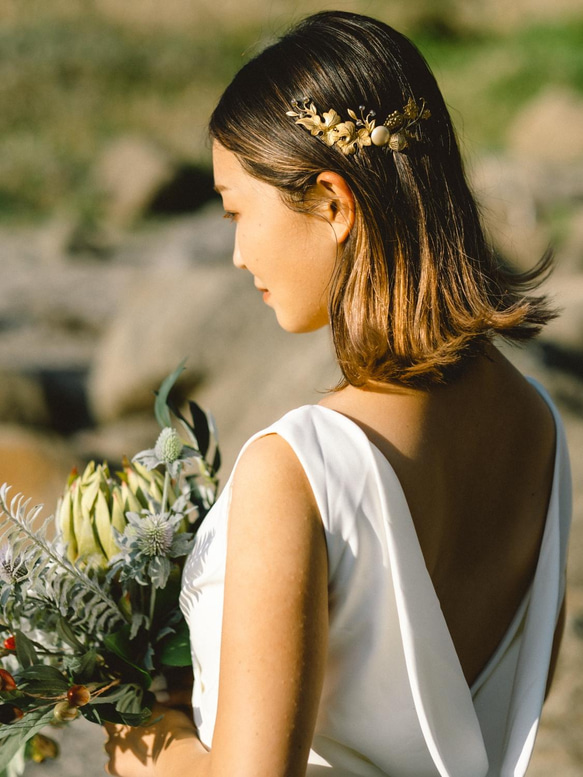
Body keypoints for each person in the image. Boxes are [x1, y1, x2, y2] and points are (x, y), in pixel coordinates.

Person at [104, 11, 571, 777]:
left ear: (330, 202)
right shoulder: (538, 428)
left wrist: (134, 735)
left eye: (237, 211)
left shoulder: (298, 469)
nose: (235, 253)